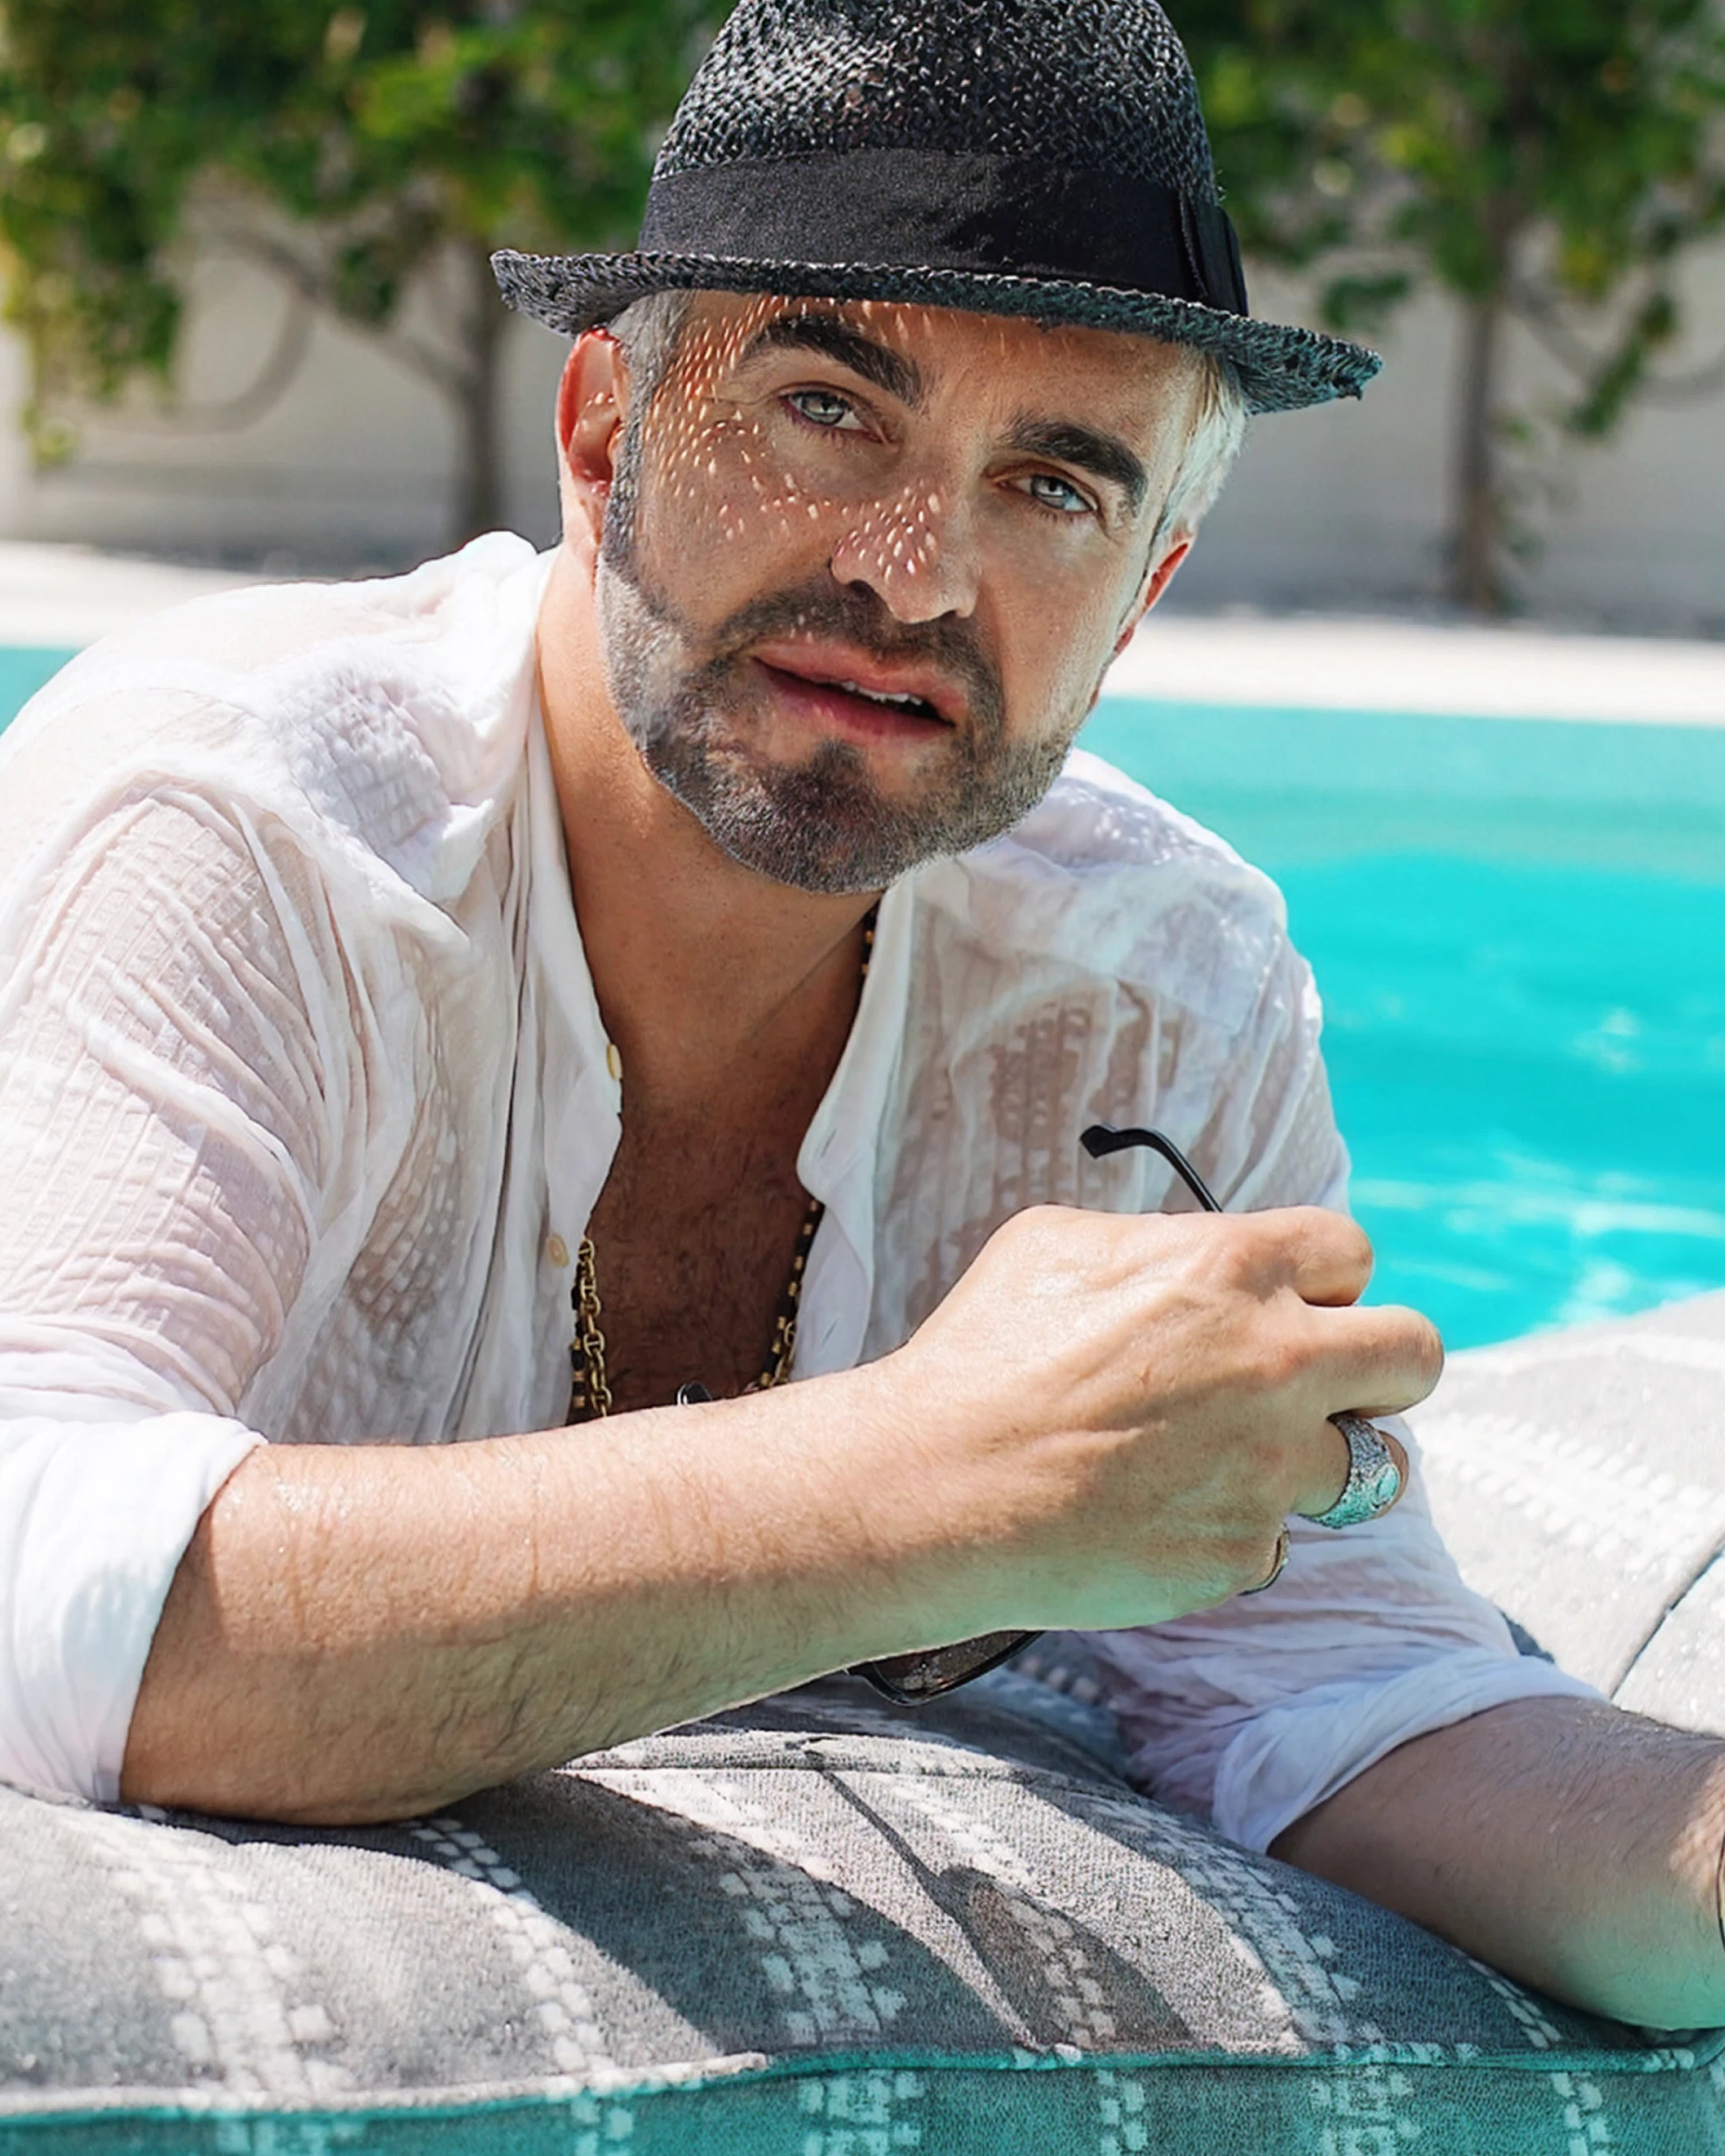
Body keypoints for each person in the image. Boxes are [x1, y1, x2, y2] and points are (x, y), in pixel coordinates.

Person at [0, 0, 1721, 2033]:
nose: (914, 578)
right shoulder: (244, 825)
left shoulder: (1162, 986)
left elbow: (1349, 1696)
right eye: (825, 410)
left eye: (1053, 487)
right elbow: (45, 1591)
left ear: (1143, 589)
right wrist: (925, 1479)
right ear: (604, 432)